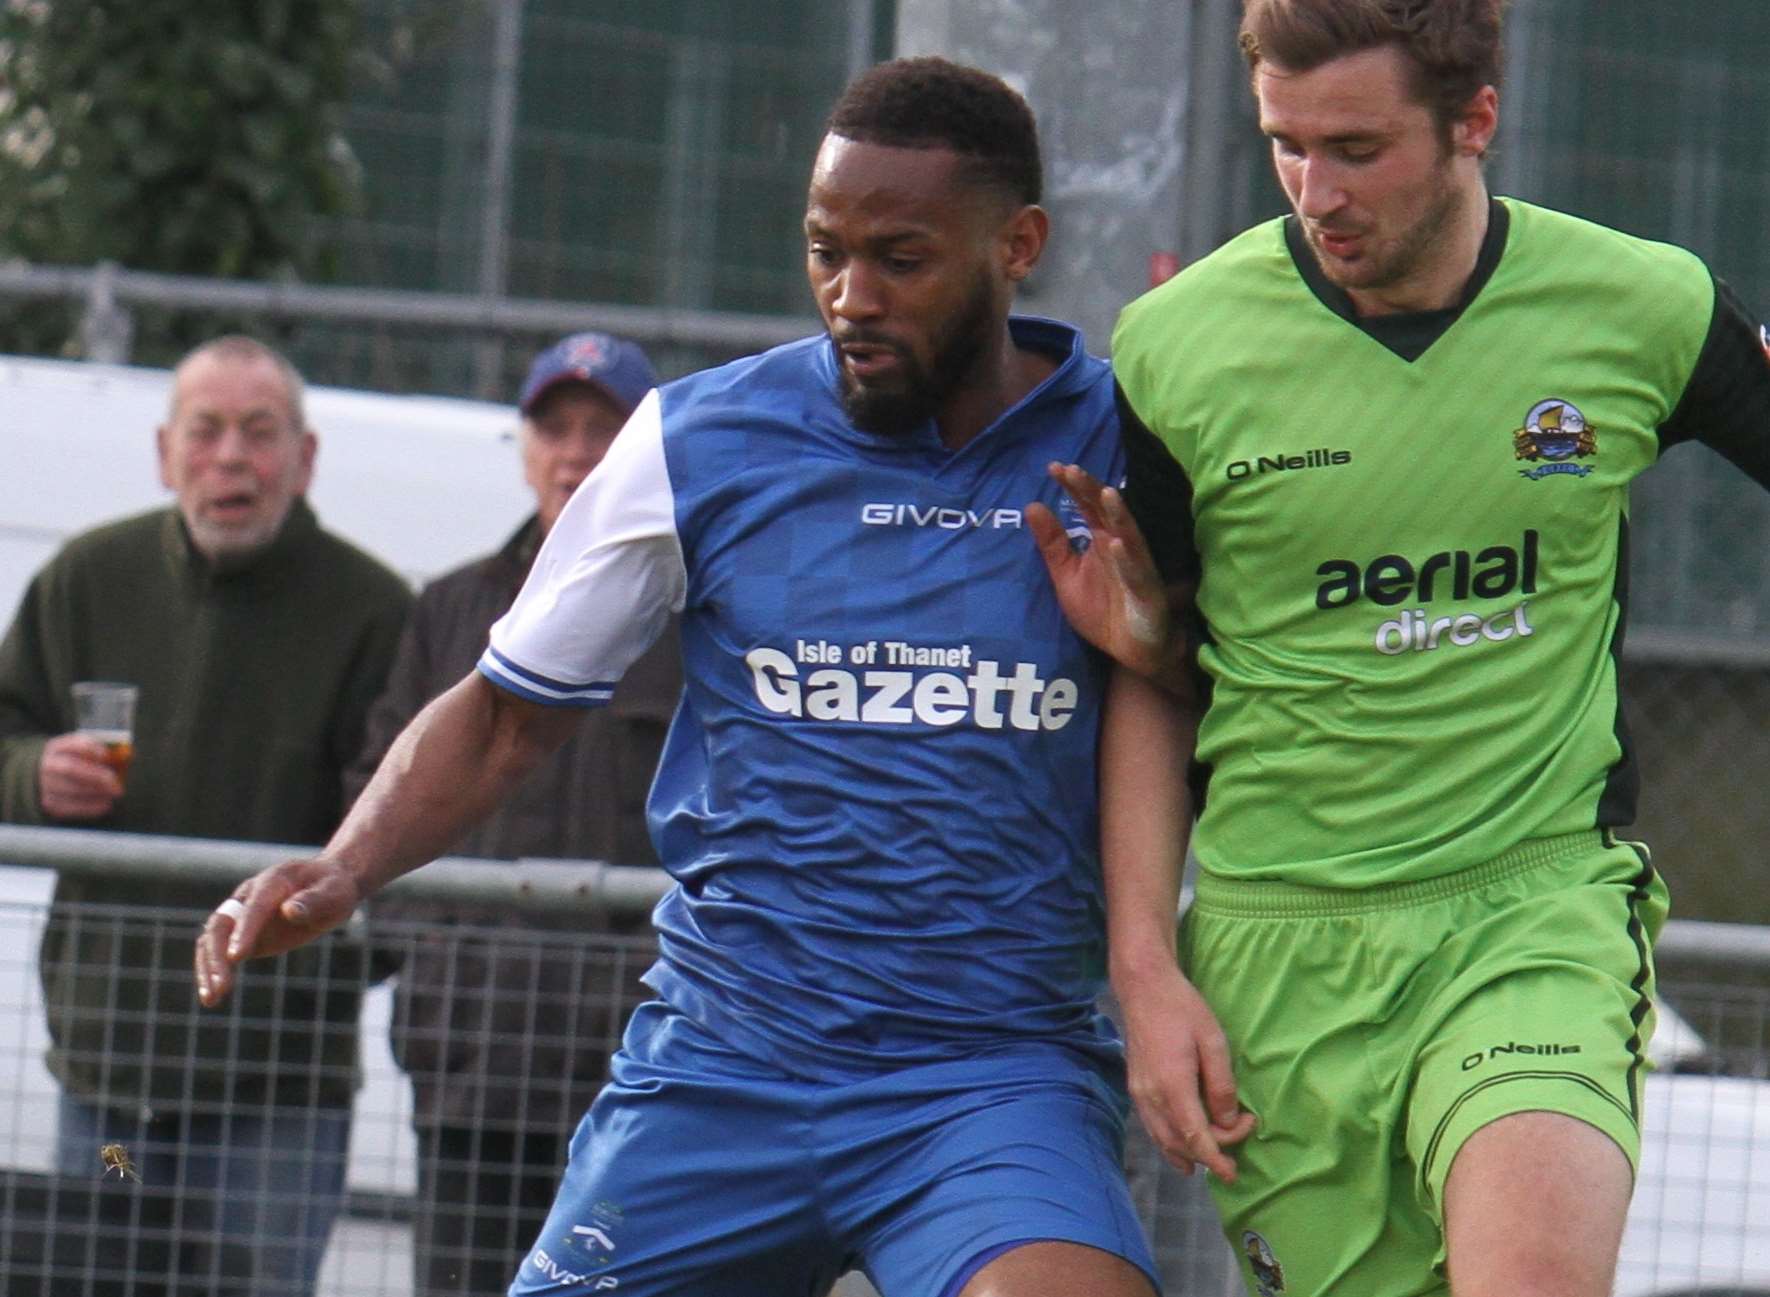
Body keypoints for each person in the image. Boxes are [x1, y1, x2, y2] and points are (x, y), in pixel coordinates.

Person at [197, 56, 1188, 1297]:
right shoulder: (697, 437)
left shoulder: (1126, 442)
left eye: (901, 257)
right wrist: (346, 862)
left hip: (990, 1074)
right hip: (729, 1061)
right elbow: (508, 712)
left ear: (1018, 245)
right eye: (824, 250)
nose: (851, 296)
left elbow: (1231, 695)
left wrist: (1165, 650)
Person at [1031, 3, 1770, 1296]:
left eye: (1357, 149)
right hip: (1280, 949)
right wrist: (1143, 969)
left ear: (1472, 122)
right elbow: (1145, 674)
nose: (1317, 193)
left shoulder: (1637, 305)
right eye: (1285, 146)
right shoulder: (1174, 349)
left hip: (1528, 907)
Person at [0, 335, 413, 1294]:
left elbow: (411, 826)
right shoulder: (86, 579)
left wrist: (338, 954)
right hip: (109, 1086)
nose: (232, 458)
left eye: (260, 434)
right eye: (208, 432)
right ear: (164, 450)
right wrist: (31, 776)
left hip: (274, 1098)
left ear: (305, 459)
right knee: (95, 1283)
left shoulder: (374, 611)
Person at [347, 331, 681, 1297]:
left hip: (635, 1081)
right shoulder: (450, 612)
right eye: (554, 426)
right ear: (524, 445)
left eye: (602, 428)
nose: (575, 450)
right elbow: (378, 789)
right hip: (471, 1072)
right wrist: (438, 952)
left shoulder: (693, 617)